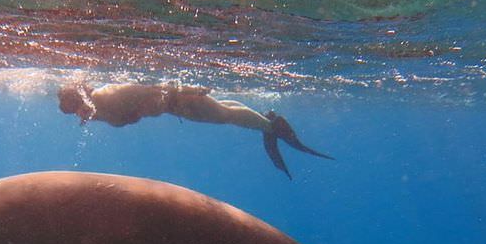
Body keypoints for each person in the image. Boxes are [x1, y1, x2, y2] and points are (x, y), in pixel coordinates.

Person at [57, 82, 333, 179]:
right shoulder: (96, 110)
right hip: (176, 107)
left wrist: (189, 91)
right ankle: (268, 121)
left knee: (224, 116)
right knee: (223, 111)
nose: (79, 116)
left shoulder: (109, 95)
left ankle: (271, 126)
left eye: (77, 109)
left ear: (83, 98)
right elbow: (124, 118)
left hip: (180, 102)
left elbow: (151, 89)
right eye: (74, 113)